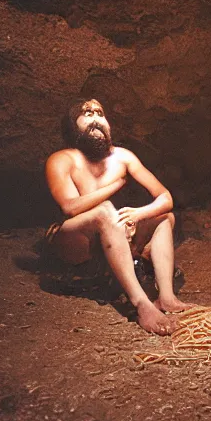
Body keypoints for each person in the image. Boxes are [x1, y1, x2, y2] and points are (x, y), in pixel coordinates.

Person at [44, 98, 193, 334]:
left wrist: (139, 213)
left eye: (100, 113)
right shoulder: (62, 159)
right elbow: (70, 208)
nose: (95, 118)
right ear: (73, 125)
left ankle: (166, 297)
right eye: (87, 113)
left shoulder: (123, 157)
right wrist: (115, 186)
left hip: (113, 234)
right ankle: (142, 304)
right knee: (104, 211)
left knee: (165, 218)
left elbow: (165, 198)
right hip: (76, 240)